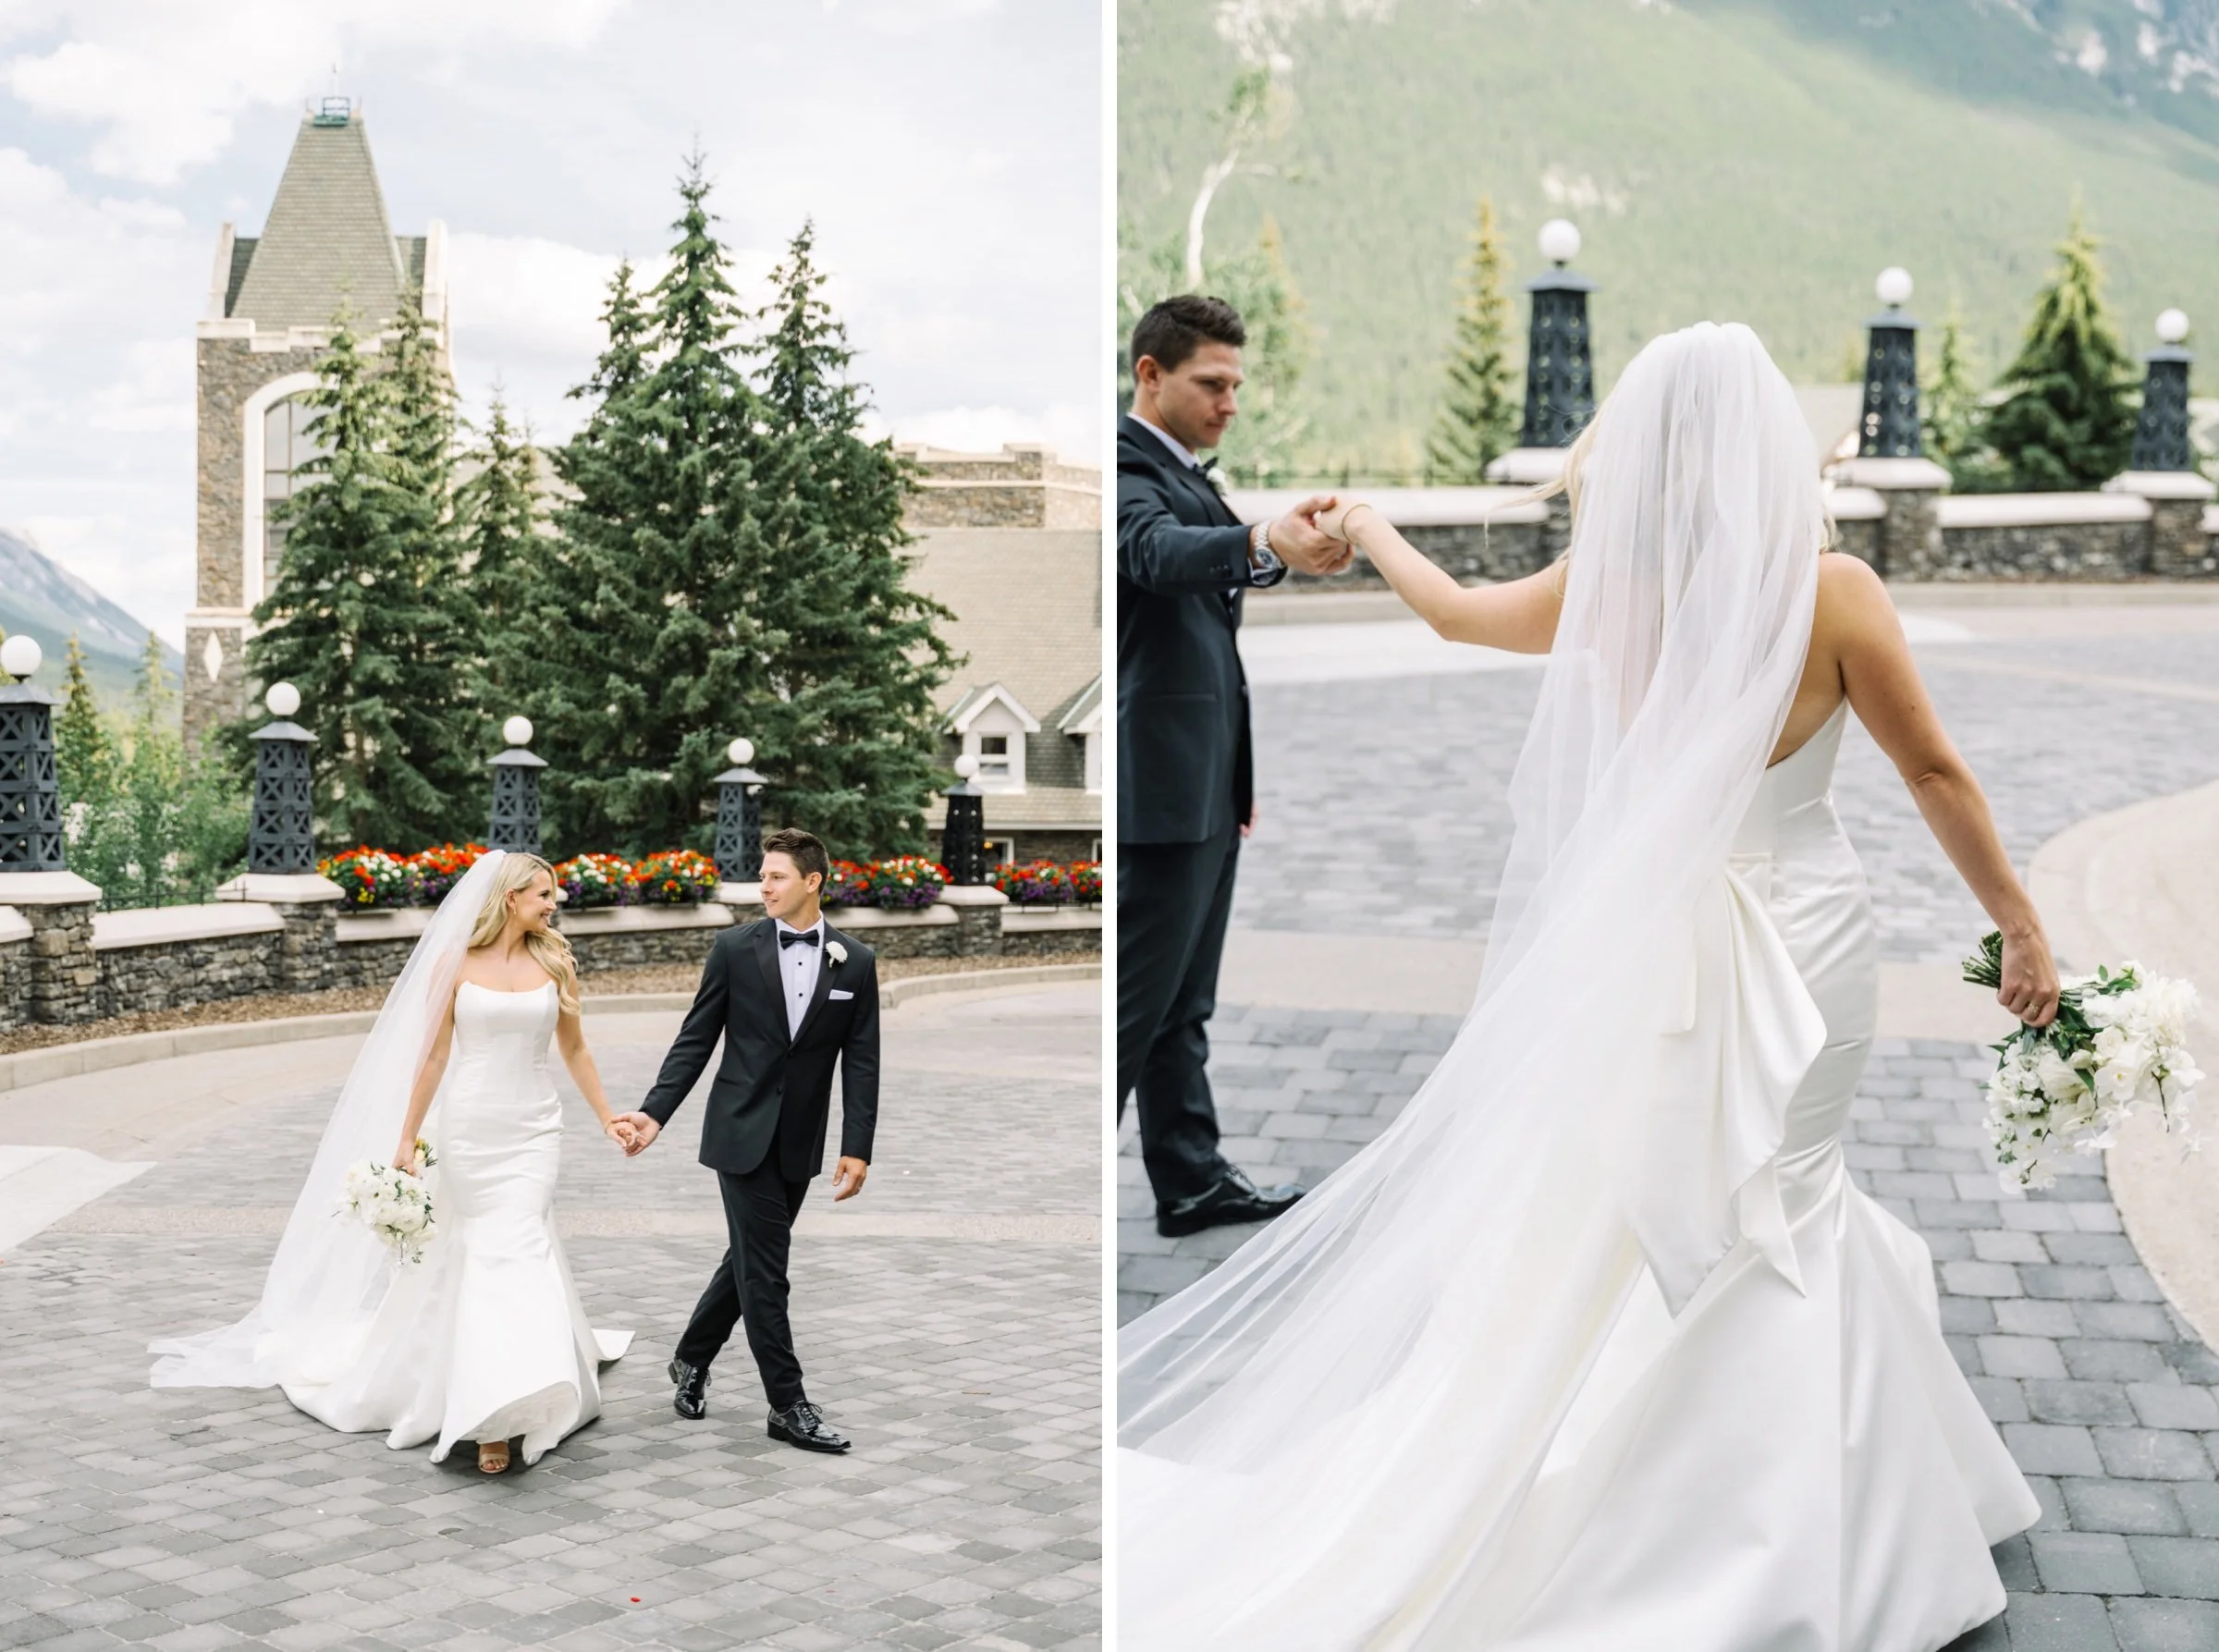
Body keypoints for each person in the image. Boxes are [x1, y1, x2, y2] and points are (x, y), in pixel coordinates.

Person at [1117, 323, 2056, 1649]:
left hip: (1658, 934)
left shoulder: (1610, 583)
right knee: (1788, 1189)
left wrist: (1373, 525)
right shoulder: (1835, 588)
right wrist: (2019, 924)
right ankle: (1789, 1520)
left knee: (1675, 1191)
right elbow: (1936, 774)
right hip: (1807, 930)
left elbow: (1448, 614)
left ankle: (1706, 1490)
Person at [151, 850, 635, 1476]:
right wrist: (406, 1137)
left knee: (521, 1242)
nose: (554, 903)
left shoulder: (556, 960)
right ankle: (490, 1418)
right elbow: (433, 1058)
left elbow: (575, 1047)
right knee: (492, 1250)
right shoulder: (454, 962)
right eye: (543, 893)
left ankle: (523, 1388)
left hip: (535, 1128)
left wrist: (606, 1116)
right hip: (472, 1127)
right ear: (510, 897)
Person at [1118, 293, 1353, 1237]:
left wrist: (1273, 547)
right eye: (1211, 384)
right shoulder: (1135, 468)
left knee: (1184, 1001)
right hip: (1162, 791)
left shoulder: (1190, 473)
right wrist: (1257, 541)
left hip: (1208, 786)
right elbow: (1154, 551)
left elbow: (1209, 561)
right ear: (1151, 375)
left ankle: (1191, 1176)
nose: (1230, 402)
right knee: (1134, 1010)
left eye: (1236, 385)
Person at [610, 826, 880, 1455]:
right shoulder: (733, 948)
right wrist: (655, 1113)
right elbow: (696, 1038)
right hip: (738, 1130)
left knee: (748, 1261)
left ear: (812, 881)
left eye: (777, 876)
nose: (764, 885)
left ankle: (689, 1359)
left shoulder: (855, 961)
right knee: (768, 1272)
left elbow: (861, 1061)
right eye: (763, 875)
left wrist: (856, 1144)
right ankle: (787, 1404)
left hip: (799, 1143)